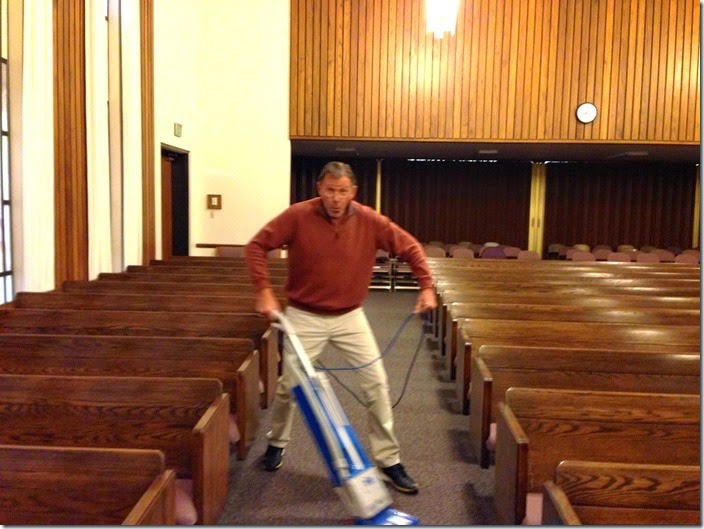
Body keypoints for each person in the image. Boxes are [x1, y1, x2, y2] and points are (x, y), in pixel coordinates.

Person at [245, 161, 437, 495]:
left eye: (343, 191)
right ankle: (277, 443)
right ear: (319, 188)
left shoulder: (370, 220)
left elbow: (410, 247)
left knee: (377, 384)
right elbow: (256, 246)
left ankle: (388, 460)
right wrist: (263, 290)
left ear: (353, 192)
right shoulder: (297, 215)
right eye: (331, 190)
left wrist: (426, 286)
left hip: (350, 316)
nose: (336, 198)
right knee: (289, 387)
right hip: (304, 315)